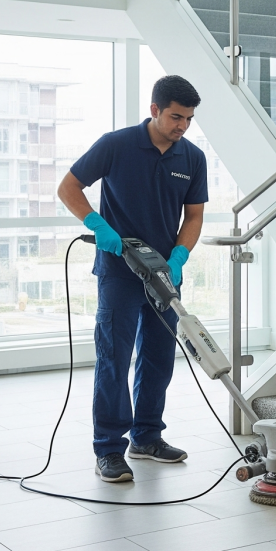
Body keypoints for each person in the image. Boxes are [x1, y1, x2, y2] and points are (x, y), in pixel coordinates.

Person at [57, 75, 208, 482]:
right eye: (176, 117)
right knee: (114, 359)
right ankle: (108, 448)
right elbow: (68, 187)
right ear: (155, 109)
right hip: (119, 272)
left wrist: (180, 255)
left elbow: (194, 216)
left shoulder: (192, 158)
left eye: (189, 119)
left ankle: (147, 437)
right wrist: (96, 223)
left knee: (158, 358)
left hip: (164, 274)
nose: (182, 126)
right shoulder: (116, 144)